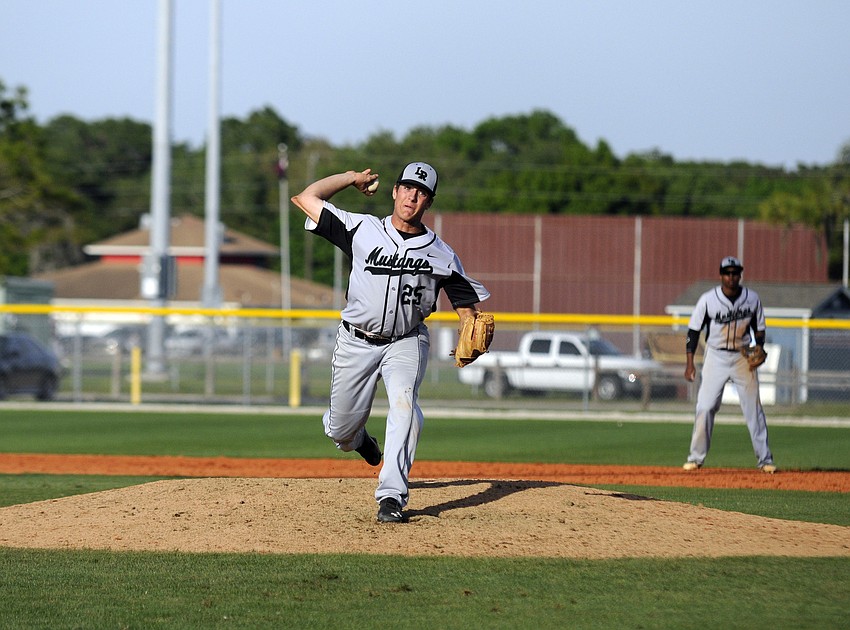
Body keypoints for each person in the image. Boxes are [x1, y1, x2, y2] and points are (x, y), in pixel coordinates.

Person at [291, 162, 490, 523]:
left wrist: (469, 327)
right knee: (340, 431)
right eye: (407, 187)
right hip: (356, 341)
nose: (412, 196)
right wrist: (350, 179)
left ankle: (391, 496)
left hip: (406, 341)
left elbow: (467, 308)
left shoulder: (442, 254)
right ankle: (358, 440)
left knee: (405, 405)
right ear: (395, 191)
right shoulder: (361, 229)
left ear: (429, 202)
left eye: (422, 192)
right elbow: (306, 198)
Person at [682, 256, 776, 473]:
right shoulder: (708, 300)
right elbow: (693, 332)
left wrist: (759, 346)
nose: (731, 276)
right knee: (705, 407)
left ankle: (765, 460)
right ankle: (695, 458)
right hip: (716, 355)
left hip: (742, 356)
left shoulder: (752, 299)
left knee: (753, 409)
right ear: (721, 275)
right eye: (727, 273)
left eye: (735, 273)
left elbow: (759, 328)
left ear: (740, 275)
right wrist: (689, 363)